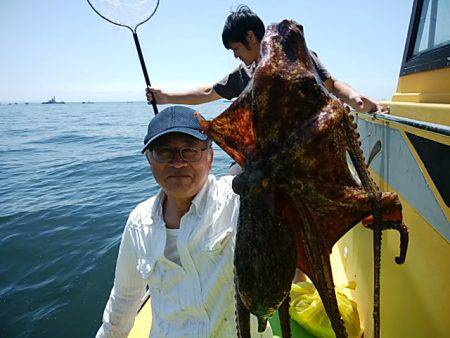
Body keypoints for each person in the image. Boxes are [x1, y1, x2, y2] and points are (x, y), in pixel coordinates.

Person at [96, 105, 272, 337]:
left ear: (210, 157)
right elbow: (124, 299)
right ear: (149, 159)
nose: (178, 163)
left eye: (189, 151)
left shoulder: (241, 201)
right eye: (164, 152)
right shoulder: (139, 221)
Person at [146, 5, 380, 113]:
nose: (236, 55)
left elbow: (331, 85)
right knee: (232, 180)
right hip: (269, 154)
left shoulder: (296, 56)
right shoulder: (245, 74)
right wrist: (165, 97)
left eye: (236, 47)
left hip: (309, 149)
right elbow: (210, 92)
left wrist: (354, 97)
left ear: (251, 37)